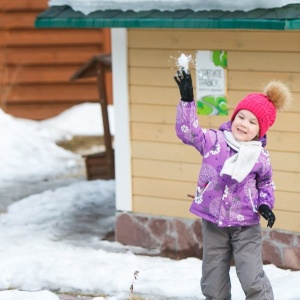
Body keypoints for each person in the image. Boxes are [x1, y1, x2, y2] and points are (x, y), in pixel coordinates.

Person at [174, 69, 292, 300]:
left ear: (261, 130)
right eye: (241, 117)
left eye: (252, 122)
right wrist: (187, 100)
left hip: (245, 223)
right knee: (213, 279)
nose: (244, 124)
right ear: (234, 116)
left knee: (250, 276)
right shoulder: (214, 141)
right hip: (213, 221)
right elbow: (188, 133)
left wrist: (265, 205)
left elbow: (265, 183)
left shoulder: (260, 157)